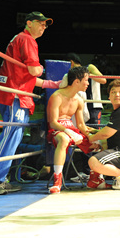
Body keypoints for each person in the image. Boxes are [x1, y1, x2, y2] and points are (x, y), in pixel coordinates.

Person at [0, 11, 59, 196]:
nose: (43, 27)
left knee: (14, 136)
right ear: (29, 23)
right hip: (14, 94)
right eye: (40, 23)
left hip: (17, 92)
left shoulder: (21, 40)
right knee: (10, 134)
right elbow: (34, 70)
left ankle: (0, 178)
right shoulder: (27, 40)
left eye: (45, 24)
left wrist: (54, 83)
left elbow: (31, 77)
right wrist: (40, 69)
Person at [46, 66, 98, 194]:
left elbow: (80, 125)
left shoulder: (79, 100)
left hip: (73, 130)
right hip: (58, 130)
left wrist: (93, 135)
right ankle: (57, 181)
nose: (87, 83)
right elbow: (52, 123)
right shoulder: (57, 97)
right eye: (86, 80)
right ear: (76, 82)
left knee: (98, 144)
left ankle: (96, 179)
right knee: (63, 139)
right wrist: (68, 132)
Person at [85, 79, 120, 190]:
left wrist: (91, 138)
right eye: (113, 92)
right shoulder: (119, 111)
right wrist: (95, 132)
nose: (117, 94)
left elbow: (106, 134)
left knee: (94, 161)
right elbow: (111, 132)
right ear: (109, 97)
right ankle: (97, 178)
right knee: (100, 144)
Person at [66, 52, 107, 125]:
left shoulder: (89, 67)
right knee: (81, 130)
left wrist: (84, 74)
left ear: (71, 62)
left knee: (94, 130)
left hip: (93, 105)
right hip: (79, 105)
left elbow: (103, 80)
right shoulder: (71, 75)